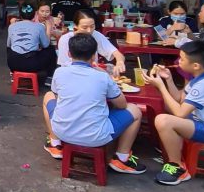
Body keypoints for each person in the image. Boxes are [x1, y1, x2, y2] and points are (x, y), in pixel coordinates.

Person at [42, 32, 144, 173]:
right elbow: (122, 105)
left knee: (48, 96)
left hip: (62, 131)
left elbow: (58, 97)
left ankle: (55, 143)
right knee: (135, 110)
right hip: (97, 137)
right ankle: (121, 158)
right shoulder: (103, 77)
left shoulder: (59, 72)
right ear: (94, 55)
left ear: (69, 54)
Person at [144, 39, 204, 186]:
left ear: (195, 65)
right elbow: (179, 100)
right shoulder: (199, 79)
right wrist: (168, 79)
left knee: (163, 120)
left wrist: (161, 87)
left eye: (182, 59)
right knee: (168, 110)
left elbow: (180, 113)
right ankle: (175, 151)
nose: (179, 61)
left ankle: (177, 167)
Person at [57, 9, 126, 75]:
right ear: (75, 25)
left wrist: (120, 62)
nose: (89, 30)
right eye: (84, 27)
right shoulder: (65, 39)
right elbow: (64, 65)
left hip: (93, 74)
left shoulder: (95, 35)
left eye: (92, 26)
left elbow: (115, 53)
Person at [7, 3, 56, 82]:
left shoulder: (12, 26)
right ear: (34, 15)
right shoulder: (39, 26)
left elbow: (9, 45)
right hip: (32, 65)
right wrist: (49, 27)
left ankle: (13, 74)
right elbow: (46, 45)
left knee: (10, 49)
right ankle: (49, 77)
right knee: (50, 49)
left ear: (20, 14)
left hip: (13, 63)